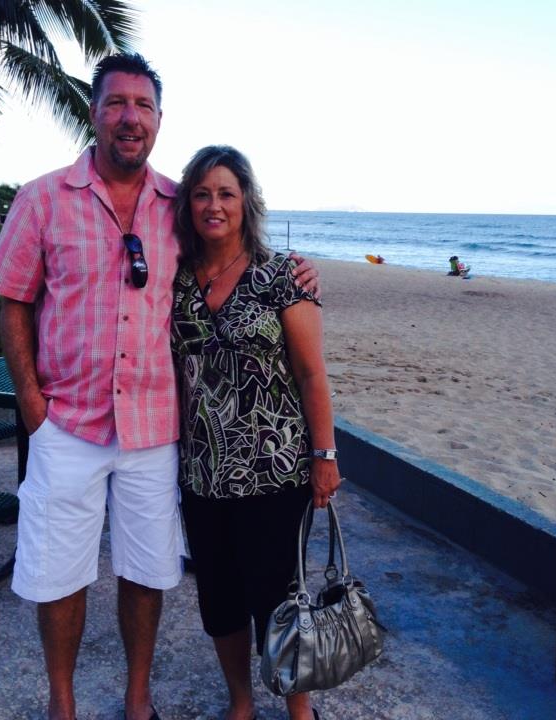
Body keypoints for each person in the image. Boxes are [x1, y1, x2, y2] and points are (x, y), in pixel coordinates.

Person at [0, 54, 318, 720]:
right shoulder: (42, 198)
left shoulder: (179, 206)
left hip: (153, 430)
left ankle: (139, 701)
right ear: (93, 112)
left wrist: (293, 273)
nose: (129, 117)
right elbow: (14, 301)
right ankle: (63, 703)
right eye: (116, 103)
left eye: (143, 105)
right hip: (68, 423)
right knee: (59, 573)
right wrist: (31, 404)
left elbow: (233, 258)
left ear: (159, 120)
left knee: (145, 571)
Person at [172, 146, 342, 720]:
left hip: (275, 470)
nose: (213, 204)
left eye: (226, 193)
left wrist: (325, 454)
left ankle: (300, 710)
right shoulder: (175, 280)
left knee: (278, 598)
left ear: (246, 202)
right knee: (219, 600)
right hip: (201, 472)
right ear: (188, 204)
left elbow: (312, 372)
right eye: (201, 193)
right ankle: (240, 703)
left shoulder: (282, 275)